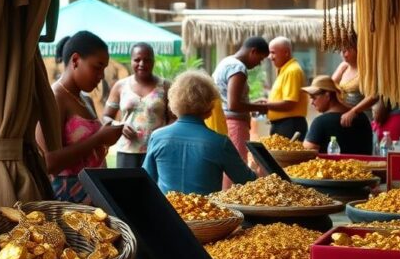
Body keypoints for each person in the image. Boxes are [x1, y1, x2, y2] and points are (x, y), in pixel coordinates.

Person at [38, 31, 123, 203]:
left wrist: (105, 140)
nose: (101, 76)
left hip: (94, 196)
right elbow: (47, 163)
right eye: (97, 67)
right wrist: (98, 139)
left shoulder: (86, 100)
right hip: (69, 202)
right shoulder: (55, 98)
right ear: (75, 60)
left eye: (104, 69)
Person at [143, 70, 256, 195]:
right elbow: (248, 181)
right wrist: (258, 168)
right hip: (208, 213)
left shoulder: (157, 137)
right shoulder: (219, 143)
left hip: (165, 213)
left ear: (173, 102)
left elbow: (146, 180)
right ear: (210, 105)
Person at [102, 43, 172, 168]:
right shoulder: (120, 86)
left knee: (153, 187)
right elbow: (106, 117)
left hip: (157, 150)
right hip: (127, 151)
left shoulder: (165, 86)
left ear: (153, 61)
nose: (142, 64)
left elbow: (174, 118)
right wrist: (119, 126)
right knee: (127, 187)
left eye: (147, 60)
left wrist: (163, 136)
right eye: (137, 60)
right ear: (131, 61)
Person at [212, 37, 269, 162]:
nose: (258, 64)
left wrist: (252, 105)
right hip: (234, 124)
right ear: (253, 51)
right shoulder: (238, 68)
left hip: (223, 121)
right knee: (236, 164)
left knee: (227, 164)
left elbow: (229, 100)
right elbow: (234, 105)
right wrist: (260, 107)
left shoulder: (226, 62)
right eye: (260, 59)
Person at [302, 76, 374, 155]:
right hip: (364, 166)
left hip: (333, 167)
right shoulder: (362, 116)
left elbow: (306, 153)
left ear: (327, 95)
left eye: (314, 98)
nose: (311, 102)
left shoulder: (320, 122)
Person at [262, 37, 309, 140]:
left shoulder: (292, 71)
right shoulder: (285, 70)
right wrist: (266, 103)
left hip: (290, 124)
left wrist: (265, 106)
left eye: (273, 53)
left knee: (285, 156)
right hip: (283, 124)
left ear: (286, 53)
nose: (270, 57)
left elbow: (289, 103)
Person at [331, 36, 378, 127]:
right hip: (342, 117)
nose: (344, 54)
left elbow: (374, 95)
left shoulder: (368, 69)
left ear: (358, 49)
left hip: (362, 119)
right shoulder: (344, 67)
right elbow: (329, 86)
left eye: (347, 50)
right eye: (341, 50)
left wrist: (354, 111)